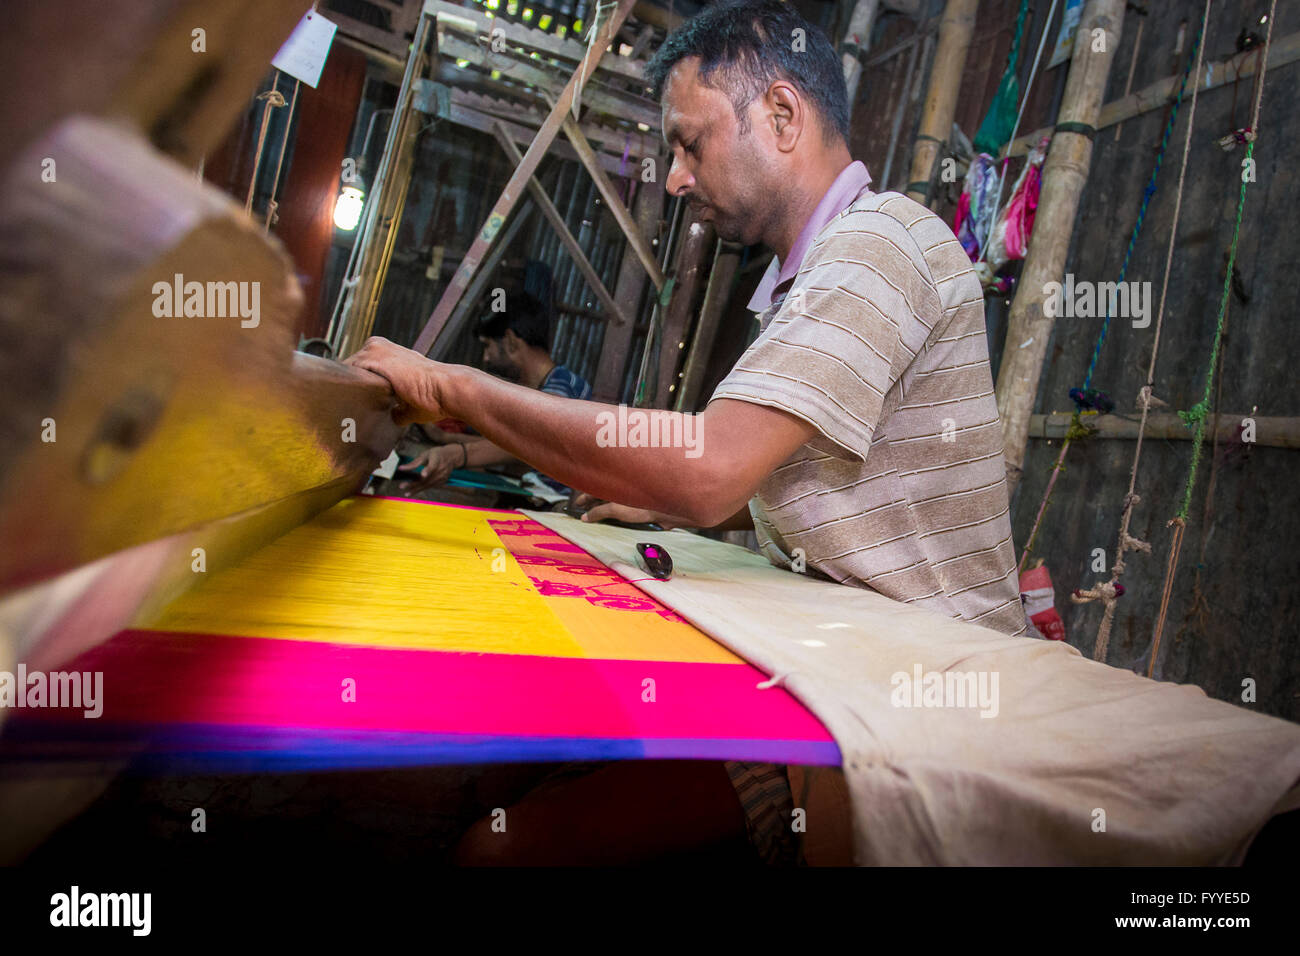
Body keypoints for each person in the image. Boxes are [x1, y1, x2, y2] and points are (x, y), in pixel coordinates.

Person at [348, 0, 1028, 865]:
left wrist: (456, 388)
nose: (673, 176)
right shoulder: (809, 278)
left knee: (499, 849)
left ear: (781, 116)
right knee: (506, 776)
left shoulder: (881, 246)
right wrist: (706, 517)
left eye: (688, 143)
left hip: (920, 697)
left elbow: (709, 465)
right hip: (849, 661)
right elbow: (833, 489)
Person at [398, 292, 592, 493]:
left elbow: (532, 442)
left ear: (510, 341)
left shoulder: (563, 386)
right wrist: (443, 439)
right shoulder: (545, 388)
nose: (486, 358)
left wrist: (454, 451)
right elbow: (516, 443)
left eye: (487, 346)